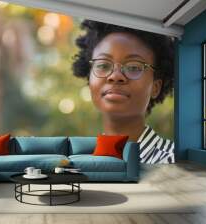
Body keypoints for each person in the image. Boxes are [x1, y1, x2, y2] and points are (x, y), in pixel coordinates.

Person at [72, 20, 175, 164]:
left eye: (133, 67)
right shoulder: (82, 161)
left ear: (155, 87)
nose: (115, 76)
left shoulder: (174, 162)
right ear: (90, 80)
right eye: (102, 65)